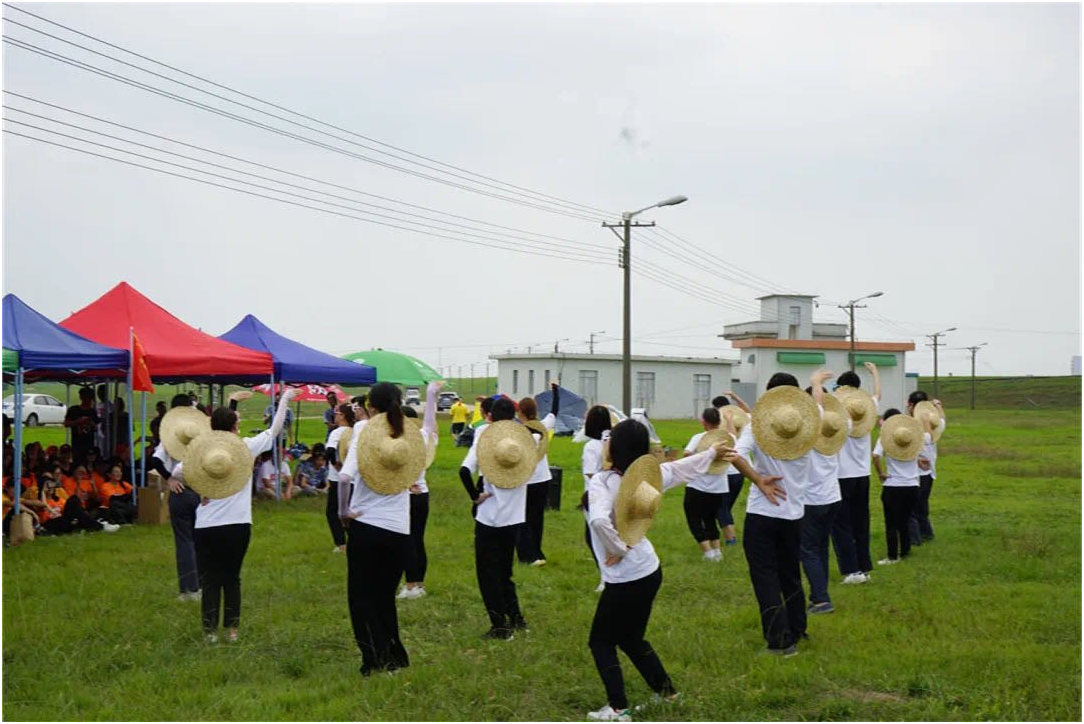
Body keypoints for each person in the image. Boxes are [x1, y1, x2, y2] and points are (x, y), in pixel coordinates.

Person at [584, 419, 740, 722]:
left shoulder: (602, 482)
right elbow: (682, 469)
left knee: (600, 641)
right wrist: (711, 453)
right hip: (649, 570)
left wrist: (618, 549)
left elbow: (600, 521)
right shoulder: (649, 477)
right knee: (631, 638)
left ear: (615, 446)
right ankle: (667, 693)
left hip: (626, 576)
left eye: (610, 438)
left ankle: (617, 708)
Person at [171, 387, 297, 643]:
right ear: (235, 427)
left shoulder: (201, 451)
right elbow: (274, 431)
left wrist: (203, 489)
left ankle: (209, 632)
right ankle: (232, 630)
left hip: (206, 524)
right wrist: (284, 399)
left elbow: (177, 473)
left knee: (209, 580)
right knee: (231, 577)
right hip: (238, 524)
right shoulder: (245, 447)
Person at [730, 370, 831, 656]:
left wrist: (758, 479)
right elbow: (820, 406)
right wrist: (817, 383)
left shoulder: (756, 427)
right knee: (790, 574)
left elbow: (735, 454)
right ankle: (798, 629)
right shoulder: (809, 423)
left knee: (765, 577)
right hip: (795, 514)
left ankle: (780, 642)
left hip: (763, 513)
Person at [338, 382, 416, 675]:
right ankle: (395, 656)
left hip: (367, 525)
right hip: (399, 528)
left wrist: (343, 513)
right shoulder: (409, 433)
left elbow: (345, 478)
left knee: (361, 596)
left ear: (370, 407)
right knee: (384, 596)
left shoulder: (364, 430)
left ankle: (373, 659)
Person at [459, 396, 532, 640]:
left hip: (489, 517)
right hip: (515, 518)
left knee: (488, 574)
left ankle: (500, 626)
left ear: (489, 415)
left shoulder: (483, 436)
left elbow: (464, 470)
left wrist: (475, 495)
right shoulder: (523, 439)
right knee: (505, 572)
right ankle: (517, 618)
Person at [148, 393, 209, 602]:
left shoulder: (172, 436)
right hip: (199, 490)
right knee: (199, 540)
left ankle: (188, 589)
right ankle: (201, 586)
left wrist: (169, 479)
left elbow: (155, 460)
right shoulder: (200, 433)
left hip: (180, 491)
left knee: (184, 542)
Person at [799, 388, 848, 615]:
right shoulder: (836, 429)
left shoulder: (807, 434)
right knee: (820, 547)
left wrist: (815, 386)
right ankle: (820, 594)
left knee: (808, 549)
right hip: (833, 498)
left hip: (812, 500)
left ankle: (820, 600)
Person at [831, 362, 880, 585]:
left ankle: (851, 571)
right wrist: (875, 373)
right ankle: (864, 567)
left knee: (841, 524)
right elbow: (877, 394)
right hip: (863, 475)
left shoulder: (839, 414)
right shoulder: (865, 410)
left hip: (842, 476)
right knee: (861, 522)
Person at [399, 380, 442, 599]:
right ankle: (419, 585)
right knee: (418, 539)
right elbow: (429, 421)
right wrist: (431, 393)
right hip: (422, 493)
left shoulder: (399, 441)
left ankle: (409, 585)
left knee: (406, 540)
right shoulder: (425, 437)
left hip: (405, 495)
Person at [872, 409, 932, 565]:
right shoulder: (914, 438)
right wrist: (918, 462)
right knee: (904, 521)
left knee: (891, 523)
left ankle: (892, 556)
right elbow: (926, 441)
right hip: (912, 486)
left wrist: (880, 473)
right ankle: (905, 551)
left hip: (893, 486)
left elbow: (875, 456)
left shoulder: (884, 439)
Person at [514, 381, 560, 566]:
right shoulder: (543, 426)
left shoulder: (518, 432)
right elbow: (554, 411)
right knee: (537, 518)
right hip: (544, 479)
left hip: (526, 481)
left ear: (521, 413)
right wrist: (555, 391)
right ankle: (538, 552)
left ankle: (527, 555)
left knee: (522, 519)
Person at [681, 408, 729, 561]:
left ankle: (708, 552)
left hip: (697, 485)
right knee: (711, 518)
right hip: (719, 487)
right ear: (720, 422)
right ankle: (717, 551)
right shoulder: (729, 438)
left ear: (703, 422)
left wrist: (701, 456)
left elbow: (687, 454)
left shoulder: (699, 437)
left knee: (693, 518)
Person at [907, 392, 946, 546]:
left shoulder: (912, 426)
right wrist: (938, 406)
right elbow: (942, 419)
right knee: (922, 505)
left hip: (916, 472)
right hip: (930, 473)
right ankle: (926, 534)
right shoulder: (934, 422)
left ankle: (918, 537)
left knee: (915, 508)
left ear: (911, 405)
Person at [582, 405, 612, 593]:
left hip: (596, 497)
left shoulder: (591, 446)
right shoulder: (613, 440)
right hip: (615, 492)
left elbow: (590, 473)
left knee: (597, 539)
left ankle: (605, 578)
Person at [715, 391, 751, 546]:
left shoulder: (721, 426)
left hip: (726, 471)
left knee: (720, 508)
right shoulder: (745, 423)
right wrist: (735, 396)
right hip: (742, 470)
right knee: (725, 507)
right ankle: (725, 533)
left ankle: (731, 539)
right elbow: (748, 411)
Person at [324, 403, 355, 553]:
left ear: (342, 415)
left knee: (333, 512)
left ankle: (341, 544)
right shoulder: (356, 431)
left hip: (338, 479)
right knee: (352, 511)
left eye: (336, 413)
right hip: (354, 479)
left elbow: (329, 451)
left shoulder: (337, 433)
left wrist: (337, 465)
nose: (334, 416)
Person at [64, 387, 99, 466]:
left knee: (89, 463)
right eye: (86, 397)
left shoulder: (92, 411)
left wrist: (91, 423)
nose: (88, 400)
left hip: (89, 443)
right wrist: (78, 422)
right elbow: (66, 424)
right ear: (81, 397)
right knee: (77, 463)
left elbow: (96, 427)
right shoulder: (73, 409)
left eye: (90, 398)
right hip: (77, 443)